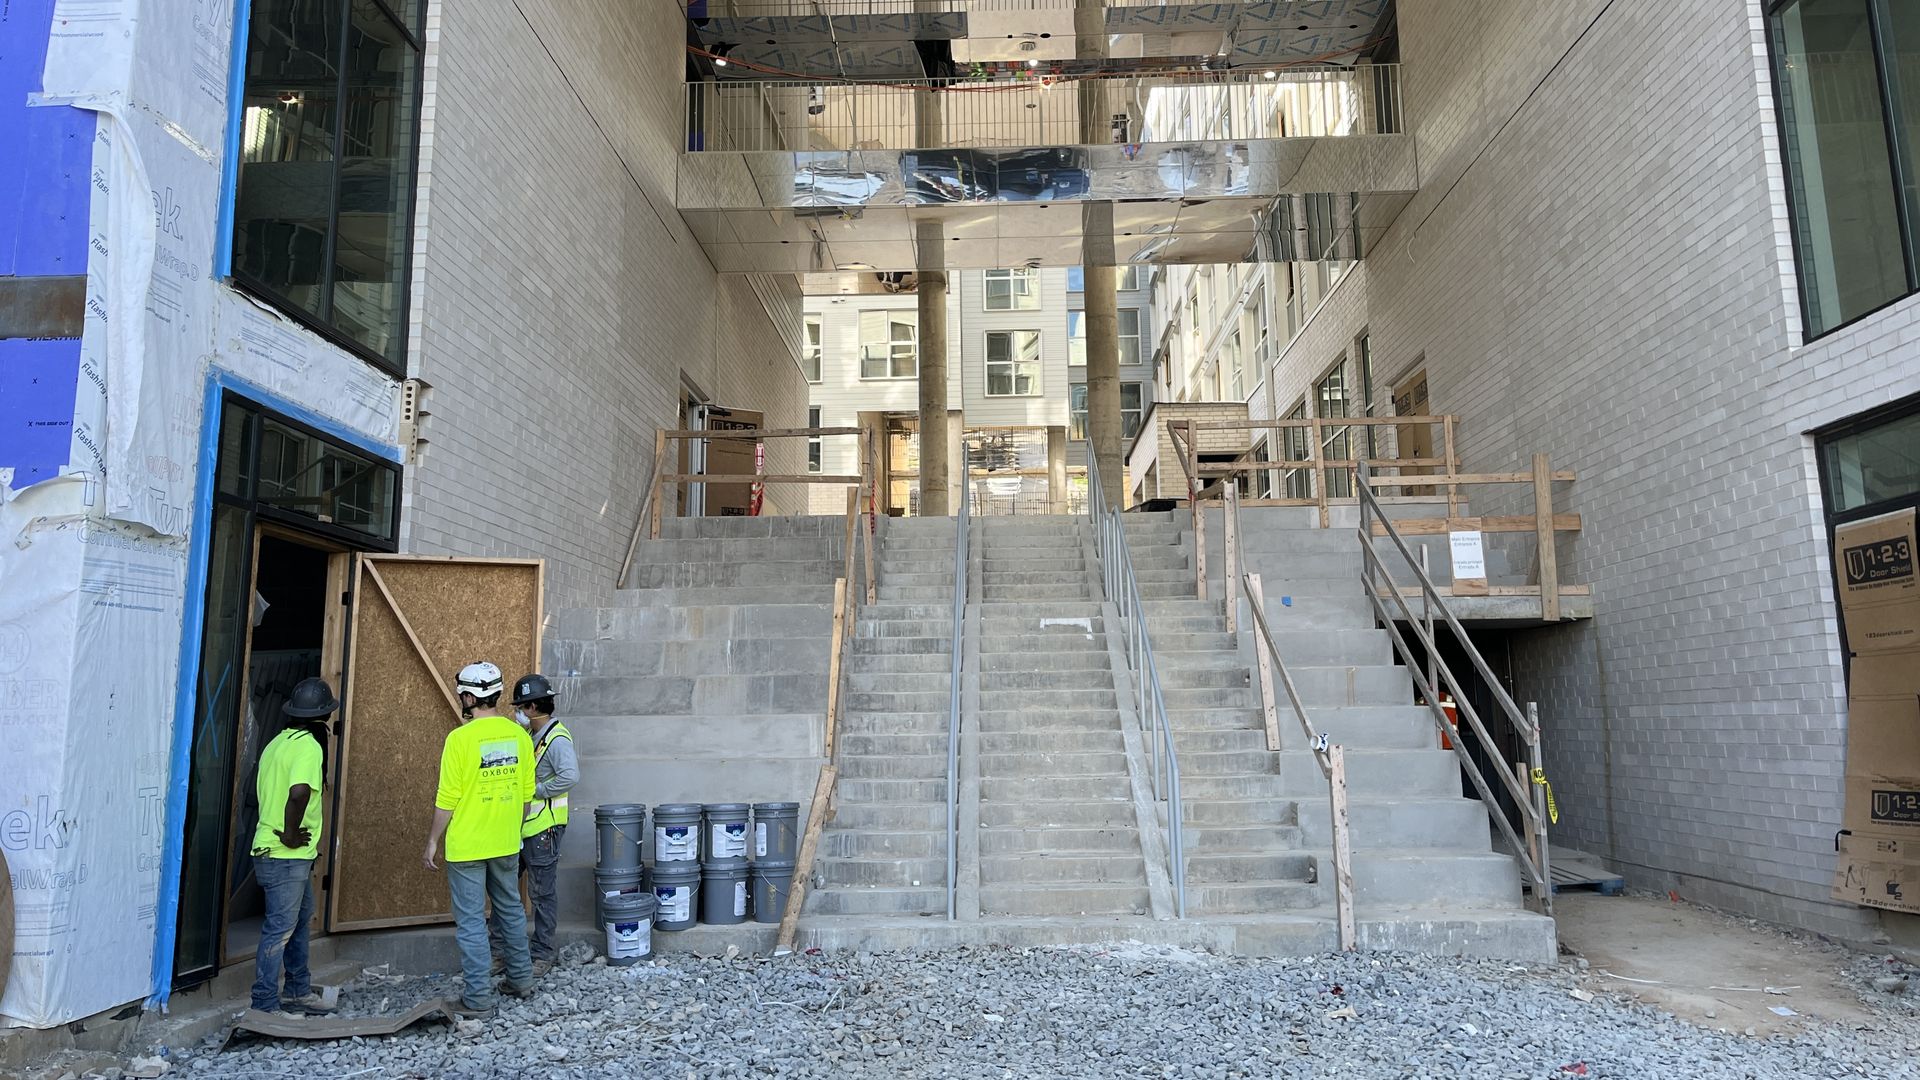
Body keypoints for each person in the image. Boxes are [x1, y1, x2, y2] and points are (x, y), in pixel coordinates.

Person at [423, 661, 535, 1013]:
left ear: (470, 697)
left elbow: (447, 799)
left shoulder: (458, 739)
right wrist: (512, 830)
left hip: (467, 846)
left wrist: (432, 841)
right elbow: (526, 796)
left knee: (472, 922)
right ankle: (521, 981)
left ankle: (477, 999)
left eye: (462, 695)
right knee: (512, 911)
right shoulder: (520, 735)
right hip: (505, 842)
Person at [249, 677, 339, 1016]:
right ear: (323, 715)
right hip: (285, 854)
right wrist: (289, 833)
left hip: (282, 854)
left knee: (298, 924)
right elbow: (299, 791)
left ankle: (298, 991)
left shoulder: (277, 743)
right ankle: (265, 1004)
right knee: (280, 930)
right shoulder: (309, 747)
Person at [489, 673, 576, 976]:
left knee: (541, 895)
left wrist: (534, 791)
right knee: (504, 891)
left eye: (522, 707)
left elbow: (569, 776)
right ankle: (499, 954)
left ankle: (542, 954)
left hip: (543, 830)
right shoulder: (531, 737)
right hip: (521, 829)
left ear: (535, 707)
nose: (519, 712)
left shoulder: (557, 738)